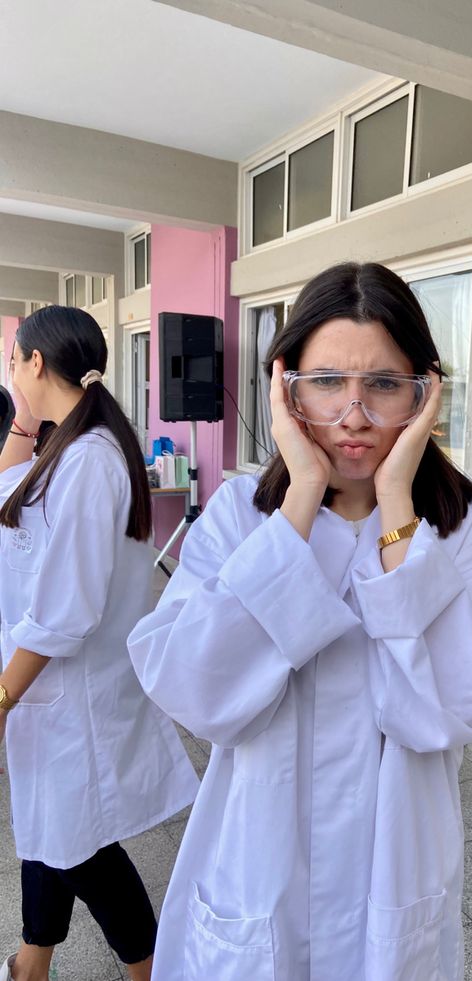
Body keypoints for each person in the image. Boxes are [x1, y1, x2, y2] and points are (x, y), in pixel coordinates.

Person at [128, 262, 472, 981]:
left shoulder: (459, 527)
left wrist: (399, 509)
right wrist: (300, 504)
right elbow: (190, 687)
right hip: (260, 864)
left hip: (393, 868)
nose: (354, 414)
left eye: (383, 384)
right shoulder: (241, 517)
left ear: (423, 392)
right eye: (326, 382)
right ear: (286, 390)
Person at [0, 306, 199, 981]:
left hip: (70, 696)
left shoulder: (89, 458)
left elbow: (65, 609)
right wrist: (23, 424)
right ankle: (33, 962)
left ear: (34, 361)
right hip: (57, 696)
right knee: (52, 836)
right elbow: (7, 502)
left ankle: (148, 970)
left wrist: (3, 695)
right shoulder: (72, 441)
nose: (10, 368)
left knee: (82, 850)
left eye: (12, 357)